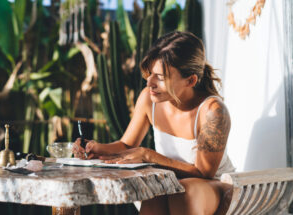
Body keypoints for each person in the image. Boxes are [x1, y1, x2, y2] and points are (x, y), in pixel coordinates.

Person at [72, 31, 235, 215]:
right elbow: (126, 144)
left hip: (215, 187)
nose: (149, 82)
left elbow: (203, 173)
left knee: (181, 191)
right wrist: (98, 148)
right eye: (150, 73)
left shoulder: (213, 112)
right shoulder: (149, 99)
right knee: (157, 192)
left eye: (161, 77)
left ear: (190, 80)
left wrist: (149, 156)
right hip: (170, 185)